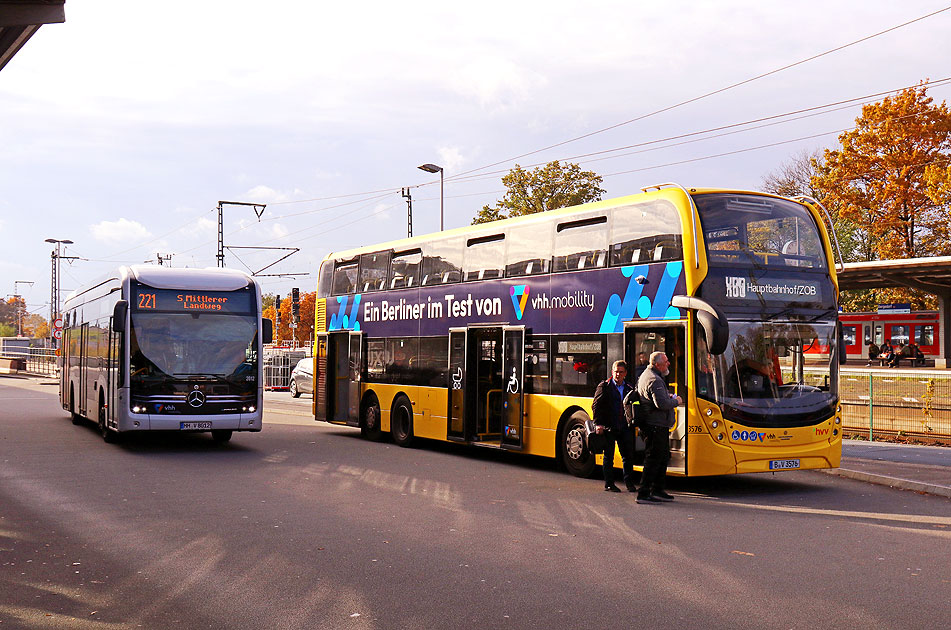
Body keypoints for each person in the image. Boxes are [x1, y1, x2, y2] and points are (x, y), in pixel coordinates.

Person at [635, 351, 682, 504]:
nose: (669, 363)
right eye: (666, 361)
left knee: (662, 458)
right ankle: (644, 492)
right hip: (655, 426)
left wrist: (667, 397)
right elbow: (661, 404)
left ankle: (657, 490)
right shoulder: (654, 379)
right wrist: (677, 401)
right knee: (654, 459)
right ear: (657, 364)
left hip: (657, 425)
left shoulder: (649, 375)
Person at [592, 360, 636, 493]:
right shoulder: (604, 386)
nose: (618, 374)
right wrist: (598, 424)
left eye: (621, 372)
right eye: (616, 372)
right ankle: (609, 484)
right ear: (612, 372)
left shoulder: (629, 387)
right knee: (608, 456)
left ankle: (629, 483)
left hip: (624, 426)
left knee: (627, 456)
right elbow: (596, 406)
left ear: (625, 373)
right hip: (609, 426)